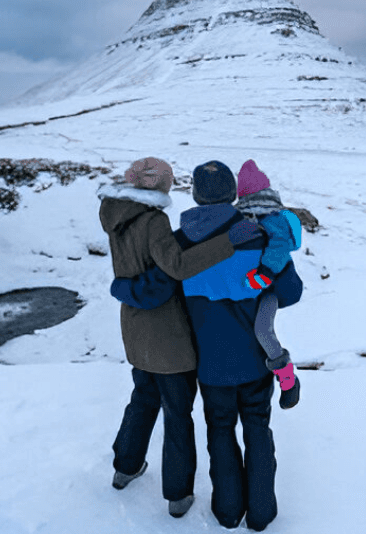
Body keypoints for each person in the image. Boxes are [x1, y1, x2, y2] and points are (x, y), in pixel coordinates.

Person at [118, 160, 303, 531]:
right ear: (233, 193)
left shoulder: (179, 243)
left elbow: (157, 292)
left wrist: (121, 288)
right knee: (257, 429)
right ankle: (262, 514)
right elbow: (291, 292)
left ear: (196, 195)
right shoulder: (256, 235)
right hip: (254, 358)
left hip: (209, 364)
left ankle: (227, 511)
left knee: (220, 431)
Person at [99, 157, 261, 519]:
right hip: (168, 334)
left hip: (136, 327)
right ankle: (178, 493)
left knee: (142, 398)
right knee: (177, 411)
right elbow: (178, 266)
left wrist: (123, 287)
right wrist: (227, 243)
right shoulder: (154, 220)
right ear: (160, 185)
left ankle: (125, 467)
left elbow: (142, 269)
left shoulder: (117, 215)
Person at [234, 159, 304, 409]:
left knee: (263, 330)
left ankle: (288, 380)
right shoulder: (246, 217)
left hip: (272, 288)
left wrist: (264, 273)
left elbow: (279, 247)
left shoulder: (272, 218)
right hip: (256, 285)